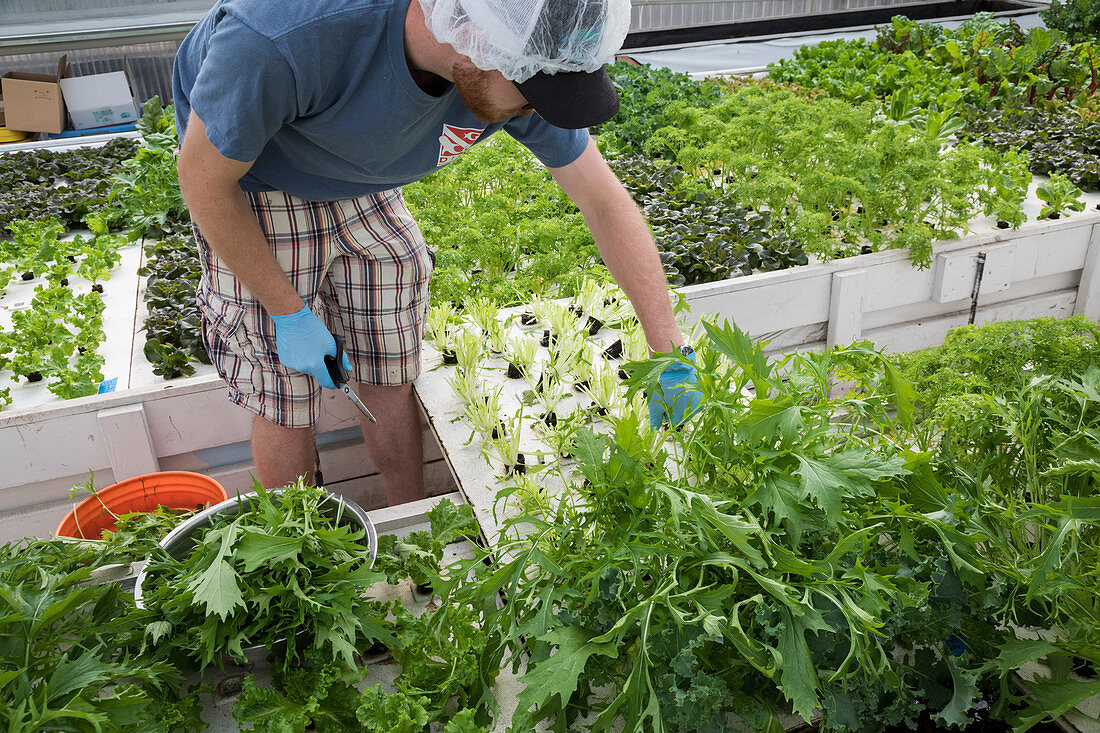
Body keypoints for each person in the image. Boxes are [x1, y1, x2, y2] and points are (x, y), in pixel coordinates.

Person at [172, 0, 700, 506]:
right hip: (254, 177)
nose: (537, 108)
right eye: (531, 91)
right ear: (469, 38)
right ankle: (298, 548)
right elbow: (202, 180)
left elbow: (603, 201)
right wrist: (288, 314)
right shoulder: (280, 38)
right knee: (284, 397)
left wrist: (669, 349)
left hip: (362, 177)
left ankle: (410, 527)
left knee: (390, 370)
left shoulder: (523, 61)